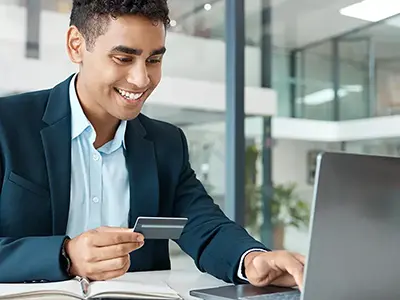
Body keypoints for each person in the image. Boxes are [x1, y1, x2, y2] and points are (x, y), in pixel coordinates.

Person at [0, 0, 305, 290]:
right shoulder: (7, 124)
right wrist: (66, 255)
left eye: (154, 59)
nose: (141, 78)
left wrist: (252, 260)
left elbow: (201, 224)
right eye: (124, 58)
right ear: (76, 45)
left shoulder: (166, 143)